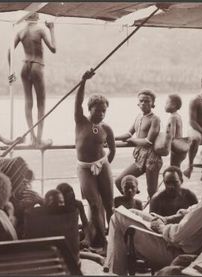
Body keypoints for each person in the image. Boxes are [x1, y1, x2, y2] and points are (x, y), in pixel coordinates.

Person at [104, 151, 202, 275]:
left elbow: (177, 234)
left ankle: (115, 272)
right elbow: (192, 215)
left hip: (174, 249)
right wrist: (167, 219)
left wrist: (161, 227)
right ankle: (115, 268)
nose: (201, 178)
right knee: (132, 211)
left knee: (118, 217)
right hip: (180, 242)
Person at [75, 69, 115, 249]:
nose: (101, 114)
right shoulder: (81, 121)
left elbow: (112, 150)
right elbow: (78, 102)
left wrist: (104, 166)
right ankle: (103, 241)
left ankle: (113, 239)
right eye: (97, 111)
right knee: (94, 204)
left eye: (104, 111)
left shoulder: (106, 128)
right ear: (90, 109)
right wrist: (83, 81)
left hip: (103, 165)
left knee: (109, 205)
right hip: (84, 167)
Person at [8, 12, 56, 147]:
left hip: (25, 67)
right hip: (37, 66)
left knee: (28, 103)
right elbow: (54, 49)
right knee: (41, 104)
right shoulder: (40, 30)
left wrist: (10, 72)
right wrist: (51, 29)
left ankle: (32, 138)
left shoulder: (21, 31)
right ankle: (39, 140)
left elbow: (9, 51)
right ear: (37, 17)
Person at [115, 90, 162, 198]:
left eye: (147, 101)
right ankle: (132, 203)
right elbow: (128, 133)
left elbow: (148, 141)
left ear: (153, 103)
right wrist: (112, 138)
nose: (144, 103)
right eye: (141, 101)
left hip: (152, 159)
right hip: (140, 158)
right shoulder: (138, 117)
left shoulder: (155, 119)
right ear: (138, 103)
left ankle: (153, 213)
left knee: (152, 192)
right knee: (119, 181)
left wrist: (132, 140)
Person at [56, 182, 92, 248]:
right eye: (68, 198)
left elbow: (85, 223)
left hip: (74, 231)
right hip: (63, 233)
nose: (70, 200)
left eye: (72, 196)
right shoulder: (57, 206)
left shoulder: (78, 204)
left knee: (92, 227)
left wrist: (87, 239)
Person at [165, 94, 190, 168]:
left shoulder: (173, 117)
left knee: (174, 168)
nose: (165, 106)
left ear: (173, 105)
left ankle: (177, 179)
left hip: (176, 148)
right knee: (177, 168)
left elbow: (172, 135)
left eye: (167, 103)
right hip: (181, 145)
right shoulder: (178, 116)